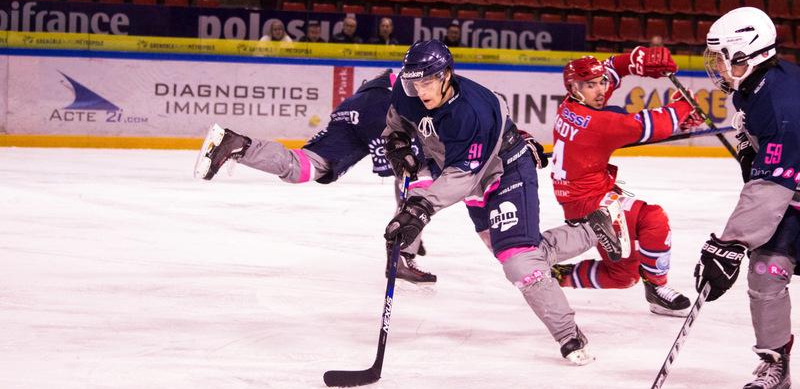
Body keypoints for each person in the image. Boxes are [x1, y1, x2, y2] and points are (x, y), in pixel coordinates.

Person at [381, 40, 627, 364]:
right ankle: (592, 229)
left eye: (428, 82)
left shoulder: (470, 110)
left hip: (505, 171)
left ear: (446, 75)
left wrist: (420, 208)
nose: (421, 90)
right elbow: (399, 119)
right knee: (515, 251)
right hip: (470, 178)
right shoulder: (407, 90)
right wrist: (397, 143)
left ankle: (569, 335)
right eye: (415, 83)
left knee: (519, 261)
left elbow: (462, 176)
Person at [195, 69, 436, 283]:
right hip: (383, 108)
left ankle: (238, 145)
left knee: (305, 166)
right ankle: (402, 254)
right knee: (416, 175)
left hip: (353, 107)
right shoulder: (440, 84)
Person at [550, 46, 703, 316]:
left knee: (623, 277)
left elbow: (610, 69)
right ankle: (656, 289)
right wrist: (683, 107)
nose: (600, 90)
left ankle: (554, 274)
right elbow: (651, 126)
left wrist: (633, 61)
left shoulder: (570, 105)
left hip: (581, 199)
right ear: (574, 87)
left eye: (601, 83)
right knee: (652, 218)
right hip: (593, 205)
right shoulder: (597, 123)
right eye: (591, 85)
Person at [694, 7, 800, 389]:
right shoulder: (757, 87)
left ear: (745, 55)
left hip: (788, 190)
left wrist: (730, 244)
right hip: (793, 194)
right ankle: (776, 362)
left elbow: (771, 187)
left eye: (721, 59)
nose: (717, 68)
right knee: (766, 271)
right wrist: (749, 148)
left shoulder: (779, 103)